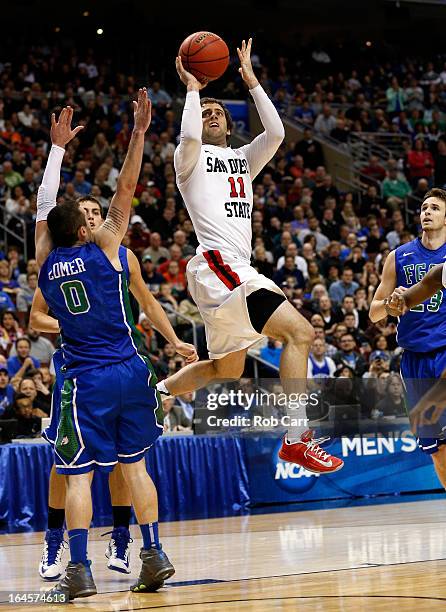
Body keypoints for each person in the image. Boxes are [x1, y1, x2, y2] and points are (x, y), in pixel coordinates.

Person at [31, 106, 197, 587]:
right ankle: (153, 551)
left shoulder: (44, 263)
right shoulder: (108, 249)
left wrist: (57, 149)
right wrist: (139, 133)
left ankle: (79, 569)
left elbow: (44, 204)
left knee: (79, 476)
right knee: (136, 468)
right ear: (85, 230)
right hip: (131, 369)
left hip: (87, 379)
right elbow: (125, 187)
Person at [163, 39, 343, 473]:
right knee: (300, 333)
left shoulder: (242, 160)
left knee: (225, 369)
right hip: (218, 265)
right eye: (204, 112)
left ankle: (156, 393)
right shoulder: (189, 158)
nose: (211, 116)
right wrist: (191, 87)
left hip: (230, 271)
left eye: (217, 112)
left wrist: (252, 81)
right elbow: (187, 133)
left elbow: (277, 134)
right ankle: (297, 438)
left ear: (228, 125)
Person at [370, 188, 446, 490]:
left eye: (435, 208)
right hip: (414, 360)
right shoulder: (399, 256)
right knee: (437, 451)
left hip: (444, 350)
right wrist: (390, 303)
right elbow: (375, 312)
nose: (426, 212)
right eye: (424, 207)